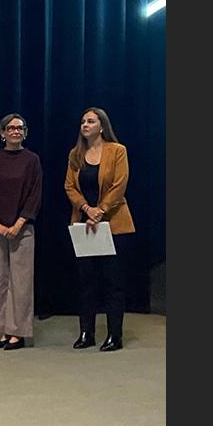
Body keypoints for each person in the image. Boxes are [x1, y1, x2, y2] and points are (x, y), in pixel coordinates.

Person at [64, 107, 135, 352]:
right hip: (84, 225)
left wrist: (101, 210)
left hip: (113, 224)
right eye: (83, 121)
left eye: (91, 121)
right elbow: (69, 186)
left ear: (102, 126)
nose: (85, 125)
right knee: (86, 281)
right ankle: (87, 333)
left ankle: (115, 335)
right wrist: (87, 209)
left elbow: (119, 184)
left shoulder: (117, 150)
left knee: (113, 282)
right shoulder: (75, 154)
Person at [0, 113, 42, 351]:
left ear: (24, 133)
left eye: (20, 128)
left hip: (22, 228)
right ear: (2, 133)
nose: (16, 131)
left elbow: (35, 195)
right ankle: (2, 329)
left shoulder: (32, 160)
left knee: (21, 281)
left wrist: (19, 223)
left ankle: (18, 332)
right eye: (11, 128)